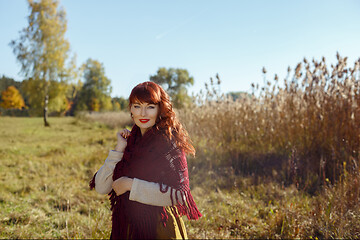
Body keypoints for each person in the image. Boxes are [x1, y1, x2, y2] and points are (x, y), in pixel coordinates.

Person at [90, 81, 202, 239]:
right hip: (127, 226)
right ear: (131, 110)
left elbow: (179, 195)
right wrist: (119, 149)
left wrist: (130, 185)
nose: (143, 113)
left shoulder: (169, 144)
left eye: (150, 107)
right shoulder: (130, 142)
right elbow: (101, 187)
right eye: (137, 106)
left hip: (160, 226)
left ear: (159, 109)